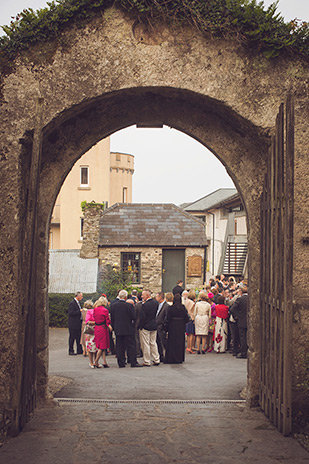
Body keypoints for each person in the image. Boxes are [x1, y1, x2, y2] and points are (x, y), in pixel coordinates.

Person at [110, 290, 141, 368]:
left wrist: (114, 327)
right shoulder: (129, 306)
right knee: (131, 345)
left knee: (119, 345)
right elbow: (134, 316)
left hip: (118, 328)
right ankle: (133, 361)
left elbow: (112, 318)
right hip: (128, 328)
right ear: (126, 297)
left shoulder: (113, 306)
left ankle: (121, 362)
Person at [164, 293, 190, 364]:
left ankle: (171, 358)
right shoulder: (183, 308)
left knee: (172, 342)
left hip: (172, 326)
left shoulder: (171, 308)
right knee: (180, 342)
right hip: (181, 326)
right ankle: (179, 358)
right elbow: (187, 318)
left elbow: (168, 318)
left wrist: (166, 327)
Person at [138, 289, 160, 366]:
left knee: (146, 344)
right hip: (154, 325)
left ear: (147, 295)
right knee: (153, 343)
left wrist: (140, 326)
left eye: (143, 295)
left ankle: (147, 360)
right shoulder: (155, 303)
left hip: (146, 326)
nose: (141, 296)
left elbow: (143, 317)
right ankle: (156, 359)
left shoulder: (145, 305)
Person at [93, 296, 112, 368]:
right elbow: (107, 320)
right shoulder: (105, 310)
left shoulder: (95, 309)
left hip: (97, 327)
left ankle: (104, 361)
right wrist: (109, 325)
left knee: (101, 346)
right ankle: (96, 361)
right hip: (103, 328)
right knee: (102, 346)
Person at [231, 286, 248, 358]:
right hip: (249, 320)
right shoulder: (251, 299)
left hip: (241, 320)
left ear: (241, 292)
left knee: (242, 337)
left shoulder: (240, 299)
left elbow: (232, 309)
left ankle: (243, 353)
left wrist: (236, 316)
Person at [67, 291, 83, 355]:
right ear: (78, 296)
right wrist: (79, 311)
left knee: (78, 337)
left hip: (78, 323)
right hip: (73, 324)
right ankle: (71, 350)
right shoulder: (72, 303)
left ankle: (79, 349)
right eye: (81, 296)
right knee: (72, 337)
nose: (82, 297)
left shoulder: (78, 303)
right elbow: (71, 313)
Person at [155, 292, 169, 362]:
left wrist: (163, 326)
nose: (156, 298)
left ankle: (167, 356)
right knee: (158, 343)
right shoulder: (157, 305)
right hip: (156, 327)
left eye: (157, 297)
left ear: (160, 297)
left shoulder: (166, 306)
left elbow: (166, 317)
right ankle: (161, 356)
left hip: (161, 327)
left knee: (163, 342)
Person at [84, 300, 97, 368]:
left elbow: (87, 321)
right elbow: (88, 321)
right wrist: (96, 322)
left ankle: (93, 362)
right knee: (93, 347)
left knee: (92, 347)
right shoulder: (92, 311)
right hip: (93, 330)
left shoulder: (89, 311)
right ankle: (93, 362)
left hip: (92, 331)